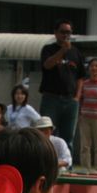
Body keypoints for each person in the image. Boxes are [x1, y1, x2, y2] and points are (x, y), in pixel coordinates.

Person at [39, 19, 83, 151]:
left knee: (68, 136)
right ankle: (45, 162)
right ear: (55, 33)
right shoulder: (48, 49)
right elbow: (47, 65)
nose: (66, 35)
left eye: (69, 32)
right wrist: (62, 51)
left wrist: (77, 97)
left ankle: (66, 166)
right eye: (63, 32)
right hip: (51, 98)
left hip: (70, 100)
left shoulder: (76, 52)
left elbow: (80, 76)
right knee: (45, 134)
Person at [76, 57, 97, 173]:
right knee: (85, 145)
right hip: (85, 118)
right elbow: (80, 101)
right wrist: (79, 116)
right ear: (88, 68)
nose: (94, 68)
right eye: (92, 66)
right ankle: (86, 168)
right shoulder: (84, 84)